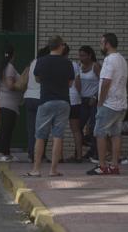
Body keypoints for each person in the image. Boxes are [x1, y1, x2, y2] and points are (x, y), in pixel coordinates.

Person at [26, 35, 74, 177]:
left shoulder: (41, 61)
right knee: (58, 136)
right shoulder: (67, 63)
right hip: (63, 102)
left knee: (40, 136)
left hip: (46, 101)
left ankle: (36, 169)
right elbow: (70, 83)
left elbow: (37, 78)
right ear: (61, 46)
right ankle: (53, 170)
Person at [87, 33, 128, 175]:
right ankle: (115, 165)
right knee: (116, 135)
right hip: (121, 103)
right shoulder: (122, 59)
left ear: (108, 44)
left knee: (100, 133)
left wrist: (100, 102)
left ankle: (102, 166)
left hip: (109, 104)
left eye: (101, 42)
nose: (100, 45)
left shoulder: (109, 60)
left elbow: (106, 82)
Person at [20, 46, 50, 162]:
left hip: (29, 97)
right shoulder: (46, 63)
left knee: (31, 128)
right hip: (41, 98)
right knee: (43, 128)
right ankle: (40, 155)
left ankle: (31, 154)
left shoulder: (33, 62)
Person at [0, 44, 22, 163]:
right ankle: (2, 153)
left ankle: (6, 153)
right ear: (13, 55)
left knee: (6, 128)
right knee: (6, 129)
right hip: (8, 103)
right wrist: (22, 86)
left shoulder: (2, 66)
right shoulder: (9, 67)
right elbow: (10, 85)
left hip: (3, 101)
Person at [77, 45, 101, 161]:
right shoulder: (79, 66)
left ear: (90, 55)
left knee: (93, 127)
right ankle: (85, 150)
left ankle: (94, 152)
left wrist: (95, 96)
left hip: (93, 100)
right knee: (78, 126)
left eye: (83, 55)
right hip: (82, 100)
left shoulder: (95, 66)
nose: (81, 58)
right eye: (80, 55)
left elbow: (103, 82)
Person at [63, 44, 83, 163]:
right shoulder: (74, 65)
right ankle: (79, 156)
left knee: (58, 128)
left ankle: (58, 156)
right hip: (75, 99)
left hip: (62, 98)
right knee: (76, 129)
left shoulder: (58, 64)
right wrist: (79, 95)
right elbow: (78, 82)